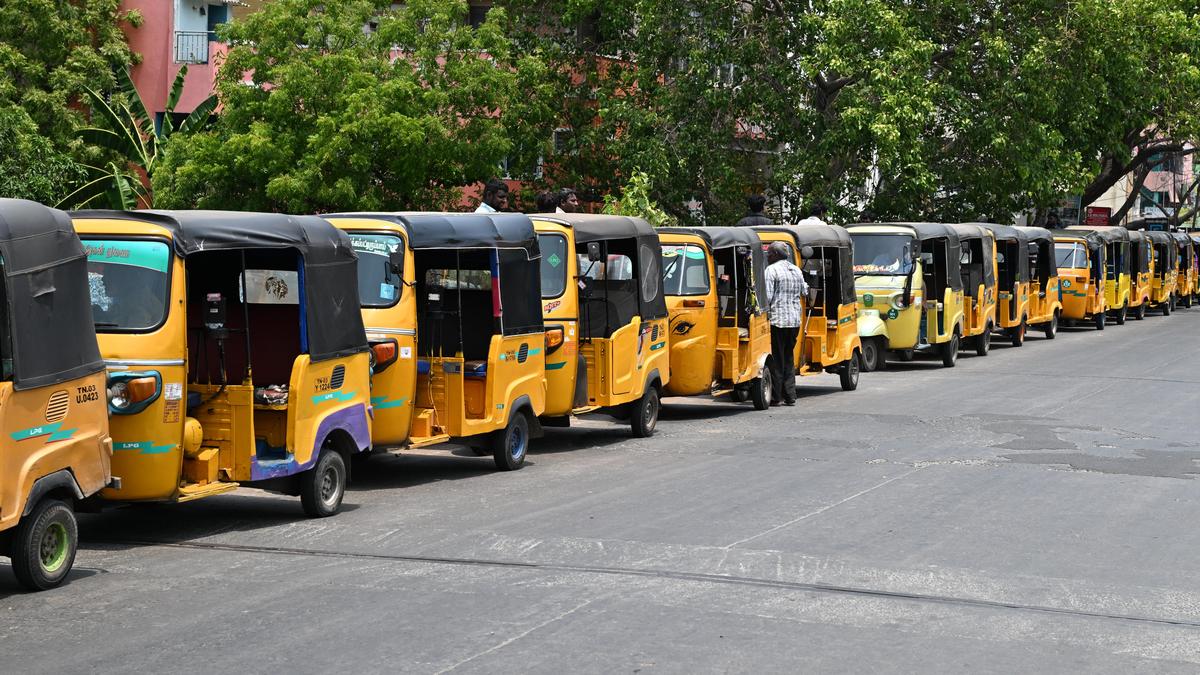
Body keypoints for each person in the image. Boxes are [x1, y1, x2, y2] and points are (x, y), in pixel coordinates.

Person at [764, 241, 809, 406]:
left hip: (777, 321)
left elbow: (767, 298)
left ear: (775, 255)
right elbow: (805, 291)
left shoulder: (771, 270)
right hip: (794, 321)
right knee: (788, 357)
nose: (767, 256)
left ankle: (776, 396)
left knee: (777, 358)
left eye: (769, 253)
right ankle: (790, 395)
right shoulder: (796, 270)